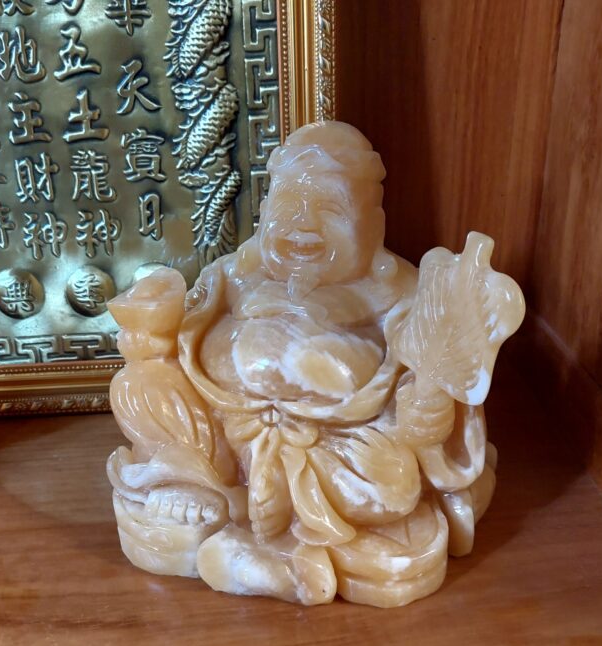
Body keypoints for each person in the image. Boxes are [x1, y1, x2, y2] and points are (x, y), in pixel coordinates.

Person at [108, 121, 524, 607]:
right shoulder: (231, 277)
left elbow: (429, 390)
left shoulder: (401, 294)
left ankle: (267, 544)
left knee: (395, 479)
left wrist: (427, 416)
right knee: (138, 387)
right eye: (288, 207)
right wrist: (153, 333)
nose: (304, 225)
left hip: (329, 449)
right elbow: (183, 343)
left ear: (372, 227)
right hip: (227, 436)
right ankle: (203, 487)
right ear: (264, 215)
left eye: (330, 210)